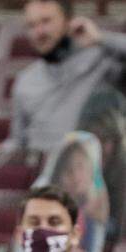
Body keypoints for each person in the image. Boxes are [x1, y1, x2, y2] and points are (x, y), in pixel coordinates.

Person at [11, 0, 126, 153]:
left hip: (93, 167)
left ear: (69, 21)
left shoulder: (103, 61)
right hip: (43, 169)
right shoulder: (25, 81)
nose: (39, 32)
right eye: (31, 25)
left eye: (46, 21)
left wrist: (100, 38)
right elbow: (18, 143)